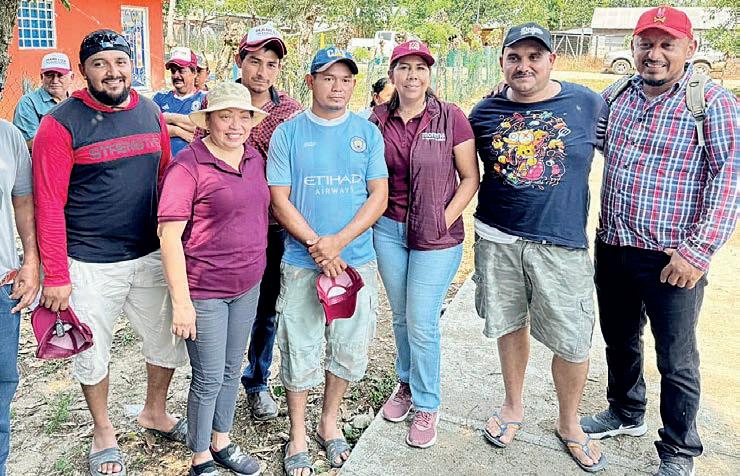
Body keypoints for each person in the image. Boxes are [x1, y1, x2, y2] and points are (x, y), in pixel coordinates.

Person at [580, 7, 737, 476]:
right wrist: (512, 96)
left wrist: (697, 252)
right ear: (633, 47)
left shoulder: (710, 103)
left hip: (674, 258)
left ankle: (679, 449)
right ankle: (626, 412)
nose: (655, 54)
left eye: (667, 44)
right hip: (614, 244)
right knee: (619, 339)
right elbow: (577, 129)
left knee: (676, 357)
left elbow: (730, 179)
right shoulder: (617, 96)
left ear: (690, 49)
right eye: (646, 44)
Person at [32, 29, 188, 476]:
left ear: (131, 65)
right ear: (84, 71)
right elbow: (48, 204)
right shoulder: (60, 124)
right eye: (100, 64)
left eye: (120, 61)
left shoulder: (150, 112)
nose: (112, 72)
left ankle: (155, 411)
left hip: (149, 253)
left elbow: (164, 177)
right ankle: (103, 430)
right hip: (88, 262)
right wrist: (56, 275)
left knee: (166, 339)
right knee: (91, 351)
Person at [468, 23, 608, 472]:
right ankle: (513, 406)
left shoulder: (588, 103)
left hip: (561, 244)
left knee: (572, 339)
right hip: (498, 239)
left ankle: (569, 422)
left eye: (534, 57)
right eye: (514, 57)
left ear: (552, 60)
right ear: (502, 63)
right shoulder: (484, 111)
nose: (523, 66)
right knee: (510, 325)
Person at [267, 46, 388, 476]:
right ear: (311, 81)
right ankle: (298, 433)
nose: (338, 87)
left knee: (349, 349)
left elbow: (378, 195)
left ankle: (329, 421)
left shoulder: (367, 133)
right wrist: (317, 245)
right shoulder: (288, 134)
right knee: (299, 348)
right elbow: (279, 199)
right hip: (303, 263)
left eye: (346, 79)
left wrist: (338, 242)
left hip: (356, 262)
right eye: (328, 78)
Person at [369, 40, 479, 449]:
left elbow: (470, 178)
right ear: (392, 74)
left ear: (429, 74)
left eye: (420, 67)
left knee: (421, 320)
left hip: (436, 237)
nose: (412, 75)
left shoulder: (451, 117)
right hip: (389, 231)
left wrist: (442, 219)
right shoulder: (377, 120)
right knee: (400, 317)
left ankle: (428, 403)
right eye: (404, 67)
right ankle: (406, 384)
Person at [159, 81, 269, 476]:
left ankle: (221, 441)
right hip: (205, 289)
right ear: (208, 121)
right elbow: (169, 236)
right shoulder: (188, 165)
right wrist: (181, 303)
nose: (235, 125)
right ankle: (200, 457)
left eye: (243, 117)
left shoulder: (254, 158)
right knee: (207, 377)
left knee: (230, 368)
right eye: (225, 116)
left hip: (247, 286)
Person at [233, 22, 303, 421]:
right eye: (255, 61)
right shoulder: (217, 101)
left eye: (271, 64)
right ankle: (215, 382)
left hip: (274, 228)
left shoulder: (290, 112)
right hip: (226, 227)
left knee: (267, 308)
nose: (262, 71)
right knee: (222, 307)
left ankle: (257, 381)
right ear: (239, 60)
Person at [0, 120, 40, 476]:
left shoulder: (8, 136)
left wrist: (30, 259)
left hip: (1, 287)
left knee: (1, 388)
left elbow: (23, 200)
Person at [12, 52, 74, 150]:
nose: (55, 81)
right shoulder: (29, 103)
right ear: (42, 77)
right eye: (49, 75)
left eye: (60, 75)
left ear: (71, 78)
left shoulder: (76, 102)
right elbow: (29, 142)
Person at [153, 47, 206, 158]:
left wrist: (168, 117)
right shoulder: (160, 98)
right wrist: (177, 131)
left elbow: (204, 128)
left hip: (194, 162)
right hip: (164, 163)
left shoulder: (204, 98)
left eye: (181, 71)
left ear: (194, 72)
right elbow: (152, 129)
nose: (176, 75)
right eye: (173, 71)